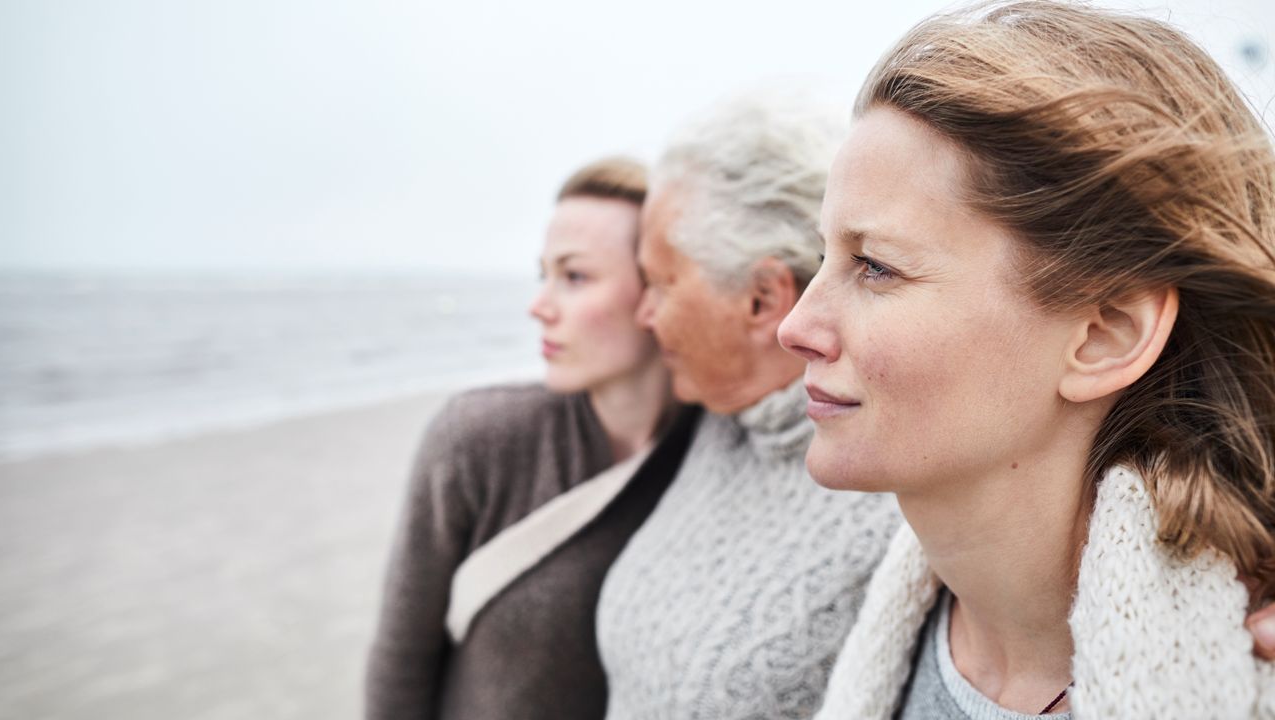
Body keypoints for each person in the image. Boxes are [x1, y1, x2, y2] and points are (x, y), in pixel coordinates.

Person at [775, 2, 1275, 717]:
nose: (798, 326)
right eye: (824, 256)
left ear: (1106, 335)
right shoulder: (825, 623)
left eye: (876, 266)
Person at [596, 93, 901, 719]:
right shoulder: (718, 422)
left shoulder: (891, 501)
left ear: (762, 300)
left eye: (660, 283)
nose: (643, 314)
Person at [365, 157, 700, 720]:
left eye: (574, 277)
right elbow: (401, 658)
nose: (538, 306)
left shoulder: (717, 449)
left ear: (658, 290)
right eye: (542, 275)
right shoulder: (477, 440)